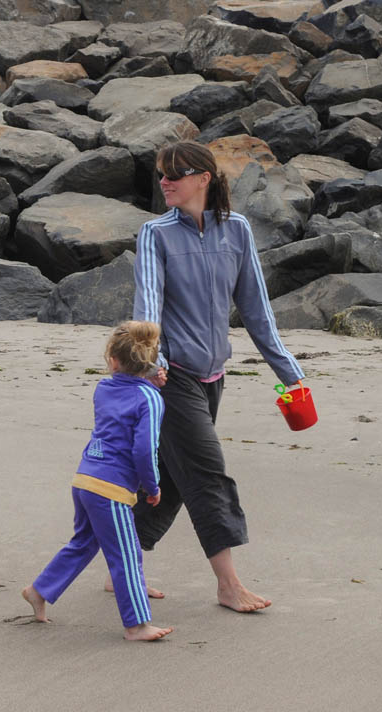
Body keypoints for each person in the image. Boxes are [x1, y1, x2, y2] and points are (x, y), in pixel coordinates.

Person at [130, 140, 306, 612]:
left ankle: (123, 562)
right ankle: (228, 584)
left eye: (175, 174)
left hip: (213, 377)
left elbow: (256, 309)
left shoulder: (238, 230)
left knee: (171, 477)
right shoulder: (155, 234)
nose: (164, 182)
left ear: (203, 178)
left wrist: (288, 372)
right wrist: (151, 362)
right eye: (161, 174)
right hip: (170, 377)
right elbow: (148, 304)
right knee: (208, 473)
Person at [22, 322, 173, 641]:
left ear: (113, 361)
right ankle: (137, 625)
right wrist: (152, 486)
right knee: (127, 556)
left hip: (85, 479)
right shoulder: (151, 398)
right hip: (111, 490)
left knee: (84, 542)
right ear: (152, 362)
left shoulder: (103, 388)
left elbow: (125, 392)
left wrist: (146, 377)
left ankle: (39, 590)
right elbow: (145, 449)